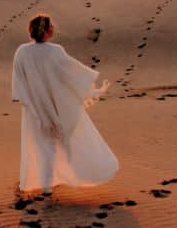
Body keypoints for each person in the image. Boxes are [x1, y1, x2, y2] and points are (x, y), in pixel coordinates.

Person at [11, 13, 118, 194]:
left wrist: (30, 102)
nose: (54, 28)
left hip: (34, 110)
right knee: (59, 145)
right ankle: (55, 182)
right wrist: (89, 89)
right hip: (57, 108)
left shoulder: (22, 51)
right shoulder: (56, 51)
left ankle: (46, 187)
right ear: (45, 30)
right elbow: (71, 76)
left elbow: (19, 83)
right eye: (51, 26)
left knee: (44, 148)